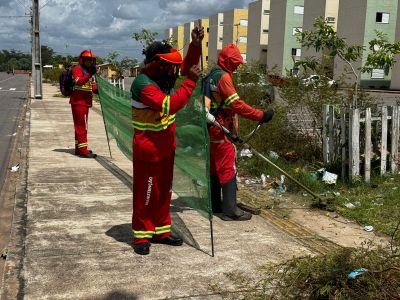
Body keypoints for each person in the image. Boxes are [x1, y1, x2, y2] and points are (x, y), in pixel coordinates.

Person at [130, 26, 204, 255]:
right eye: (169, 66)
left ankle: (161, 230)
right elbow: (170, 105)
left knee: (164, 192)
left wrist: (195, 45)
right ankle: (142, 235)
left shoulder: (164, 76)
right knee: (147, 193)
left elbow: (186, 68)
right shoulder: (143, 84)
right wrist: (190, 82)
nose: (174, 71)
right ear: (156, 63)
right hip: (148, 150)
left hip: (165, 148)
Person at [206, 44, 274, 221]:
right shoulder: (223, 77)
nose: (236, 67)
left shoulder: (210, 75)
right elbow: (236, 104)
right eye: (235, 63)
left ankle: (215, 204)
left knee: (214, 166)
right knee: (228, 167)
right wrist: (261, 115)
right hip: (221, 129)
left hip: (211, 128)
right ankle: (230, 210)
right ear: (228, 61)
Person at [70, 50, 98, 158]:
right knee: (82, 126)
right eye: (88, 60)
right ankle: (83, 150)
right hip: (78, 102)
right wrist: (90, 74)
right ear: (82, 60)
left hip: (85, 102)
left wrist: (97, 90)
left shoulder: (89, 71)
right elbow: (79, 82)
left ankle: (79, 148)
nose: (90, 62)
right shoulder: (77, 69)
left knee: (80, 126)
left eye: (92, 60)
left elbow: (93, 86)